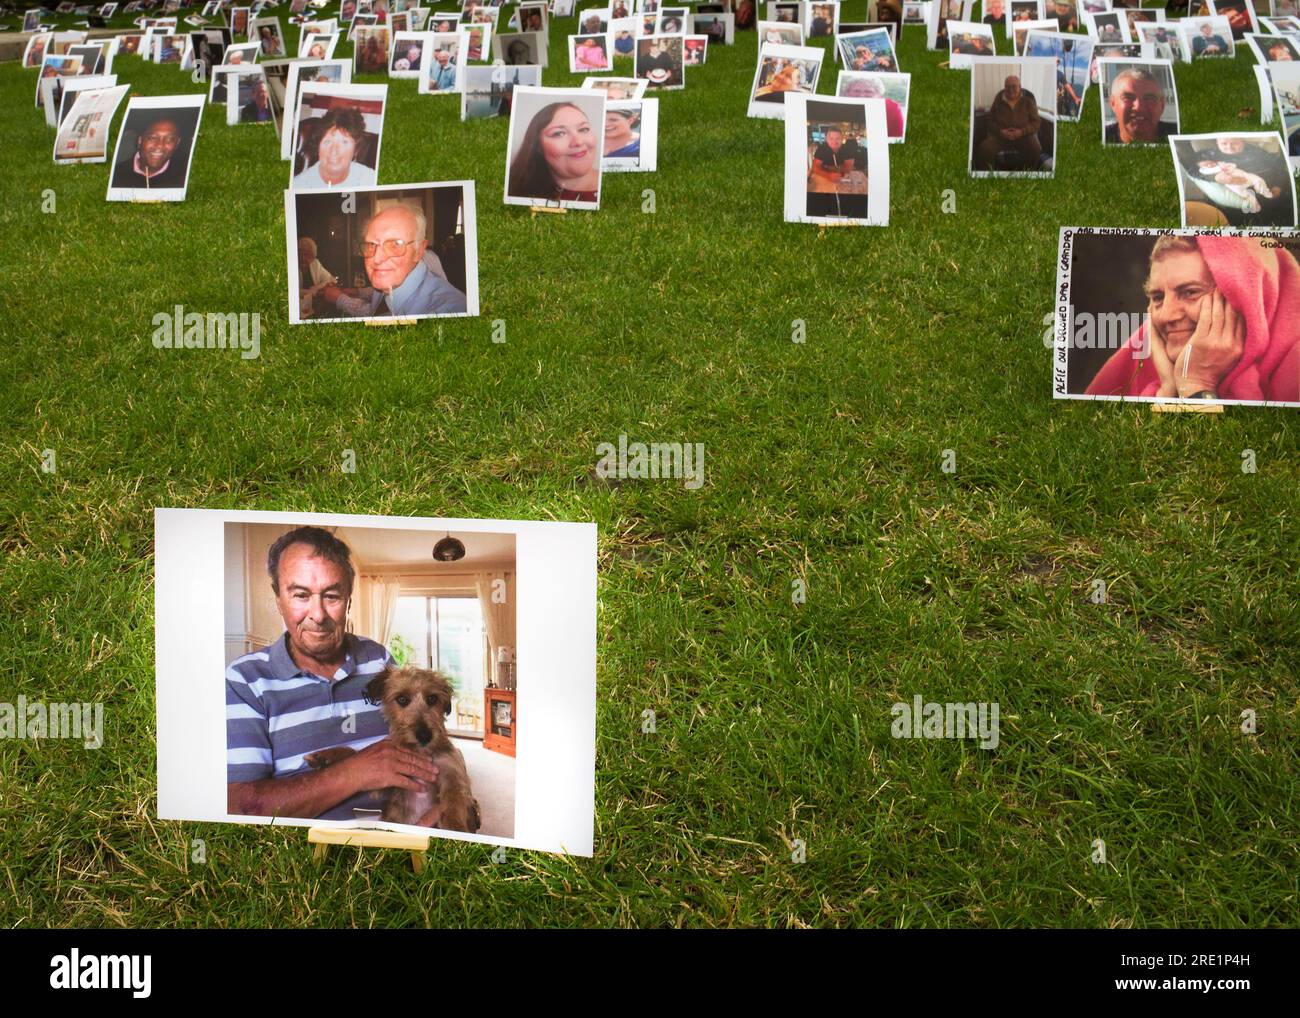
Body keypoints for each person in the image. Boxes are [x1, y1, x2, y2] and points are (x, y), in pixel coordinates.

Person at [226, 527, 444, 823]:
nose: (318, 614)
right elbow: (244, 807)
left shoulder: (378, 659)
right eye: (300, 595)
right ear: (278, 599)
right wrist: (356, 771)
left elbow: (421, 748)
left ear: (349, 600)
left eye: (332, 596)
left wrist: (455, 809)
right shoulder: (244, 680)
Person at [1084, 235, 1299, 402]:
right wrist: (1169, 391)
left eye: (1190, 292)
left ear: (1249, 296)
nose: (1166, 315)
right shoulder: (1141, 354)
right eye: (1157, 297)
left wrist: (1197, 384)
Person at [322, 204, 468, 316]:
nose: (377, 259)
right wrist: (358, 292)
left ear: (419, 251)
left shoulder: (451, 310)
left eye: (395, 244)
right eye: (371, 244)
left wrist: (340, 299)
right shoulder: (391, 281)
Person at [509, 102, 601, 201]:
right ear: (538, 146)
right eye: (559, 133)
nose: (578, 142)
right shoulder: (518, 192)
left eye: (583, 129)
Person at [293, 106, 376, 188]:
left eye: (344, 142)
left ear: (355, 149)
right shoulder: (298, 185)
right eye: (328, 141)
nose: (334, 150)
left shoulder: (370, 179)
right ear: (318, 147)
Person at [974, 75, 1042, 170]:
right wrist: (1000, 131)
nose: (1011, 89)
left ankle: (1027, 176)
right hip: (1000, 137)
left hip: (1023, 137)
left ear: (1020, 87)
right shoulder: (998, 100)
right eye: (1008, 86)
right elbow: (989, 120)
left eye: (1014, 86)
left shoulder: (1028, 101)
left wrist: (1021, 132)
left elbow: (1036, 122)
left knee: (1035, 149)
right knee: (983, 149)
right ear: (1005, 87)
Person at [112, 115, 190, 189]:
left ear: (177, 143)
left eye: (169, 139)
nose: (160, 145)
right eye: (152, 138)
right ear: (140, 141)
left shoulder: (186, 174)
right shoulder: (117, 174)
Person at [806, 127, 869, 218]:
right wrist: (828, 175)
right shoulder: (822, 148)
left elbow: (848, 167)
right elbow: (815, 167)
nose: (834, 141)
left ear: (842, 139)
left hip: (842, 178)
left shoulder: (848, 148)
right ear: (827, 139)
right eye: (831, 138)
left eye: (837, 138)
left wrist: (832, 169)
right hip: (825, 178)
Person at [1104, 67, 1173, 144]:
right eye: (1128, 98)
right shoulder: (1099, 139)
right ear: (1113, 103)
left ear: (1162, 105)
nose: (1139, 107)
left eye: (1149, 99)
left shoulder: (1178, 135)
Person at [841, 74, 905, 138]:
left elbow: (897, 137)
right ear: (847, 93)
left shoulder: (892, 108)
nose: (862, 96)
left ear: (879, 95)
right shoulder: (840, 106)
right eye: (856, 91)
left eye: (868, 92)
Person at [296, 236, 337, 318]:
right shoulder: (293, 266)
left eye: (307, 255)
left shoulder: (315, 264)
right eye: (300, 254)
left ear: (313, 257)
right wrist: (310, 292)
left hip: (312, 308)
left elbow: (331, 279)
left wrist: (316, 288)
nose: (303, 258)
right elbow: (291, 291)